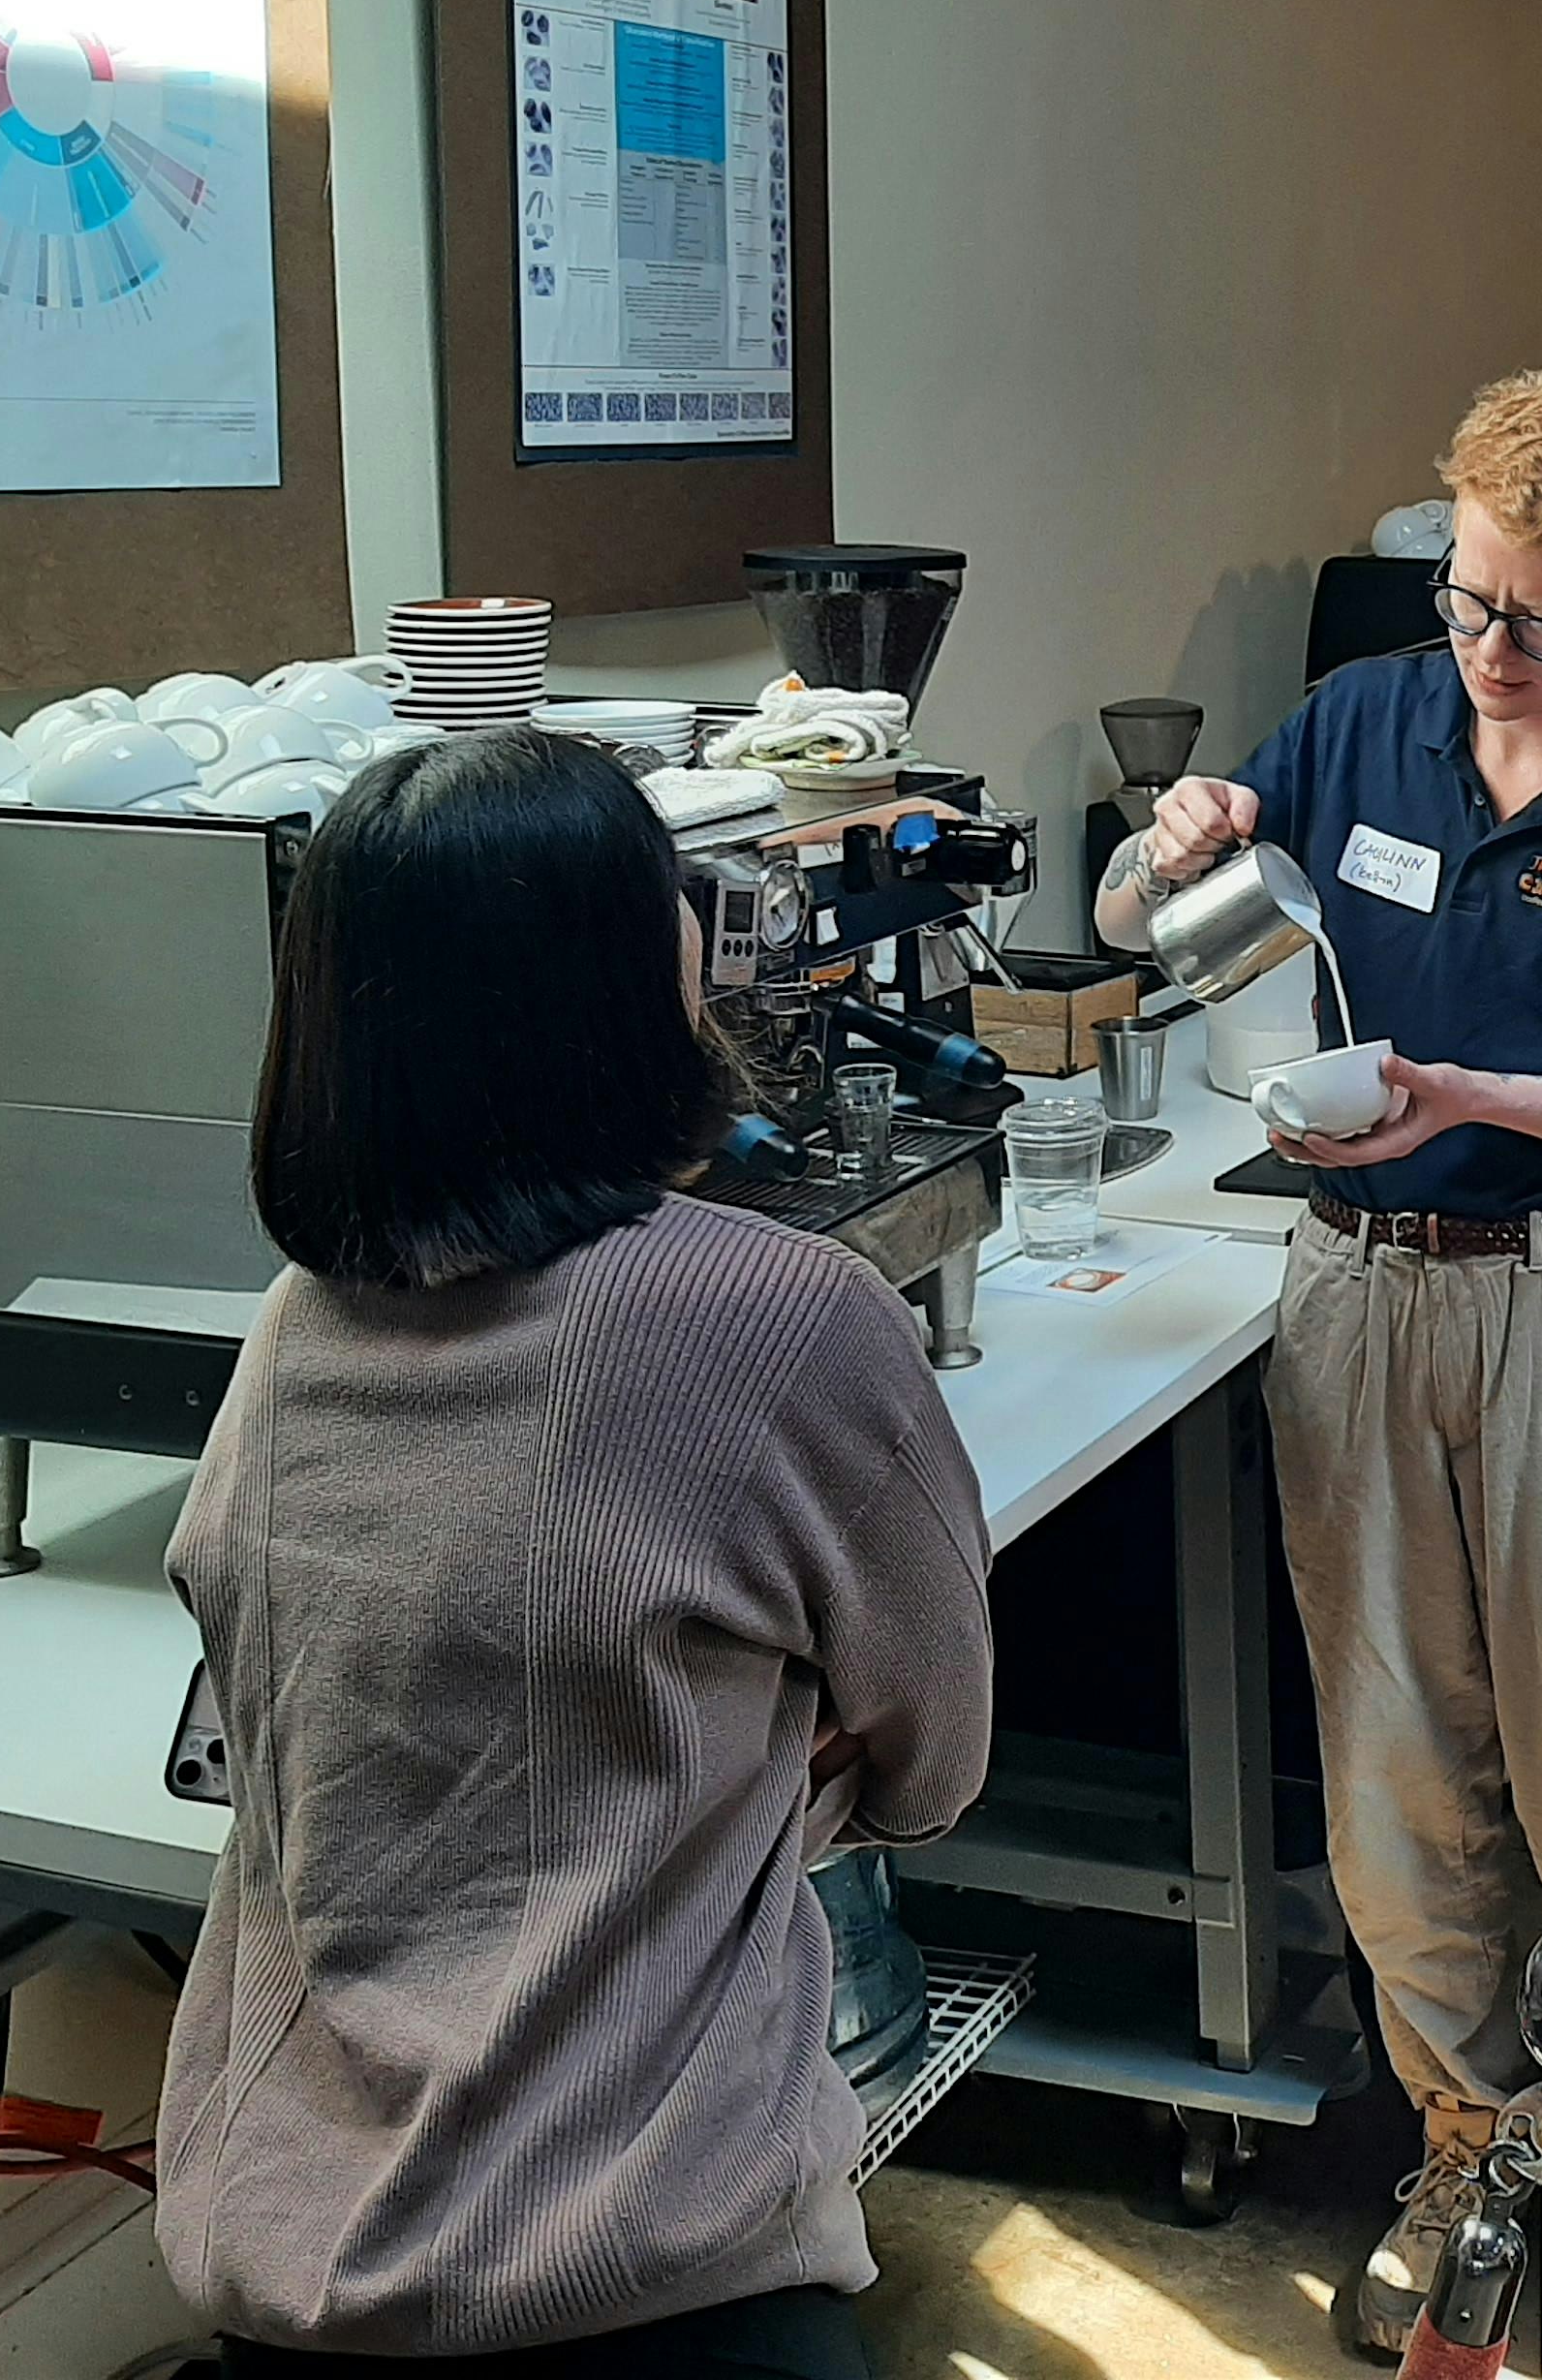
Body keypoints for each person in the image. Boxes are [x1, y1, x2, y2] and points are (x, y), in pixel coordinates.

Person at [1094, 370, 1542, 2362]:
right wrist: (1178, 839)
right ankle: (1469, 2142)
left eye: (1536, 623)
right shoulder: (1363, 722)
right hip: (1357, 1291)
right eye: (1467, 604)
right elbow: (1151, 927)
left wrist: (1469, 1091)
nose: (1488, 652)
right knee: (1395, 1757)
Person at [161, 728, 995, 2375]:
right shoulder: (786, 1317)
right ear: (619, 991)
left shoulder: (292, 1331)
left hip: (298, 2277)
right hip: (662, 2284)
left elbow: (278, 1723)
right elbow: (936, 1756)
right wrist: (734, 1765)